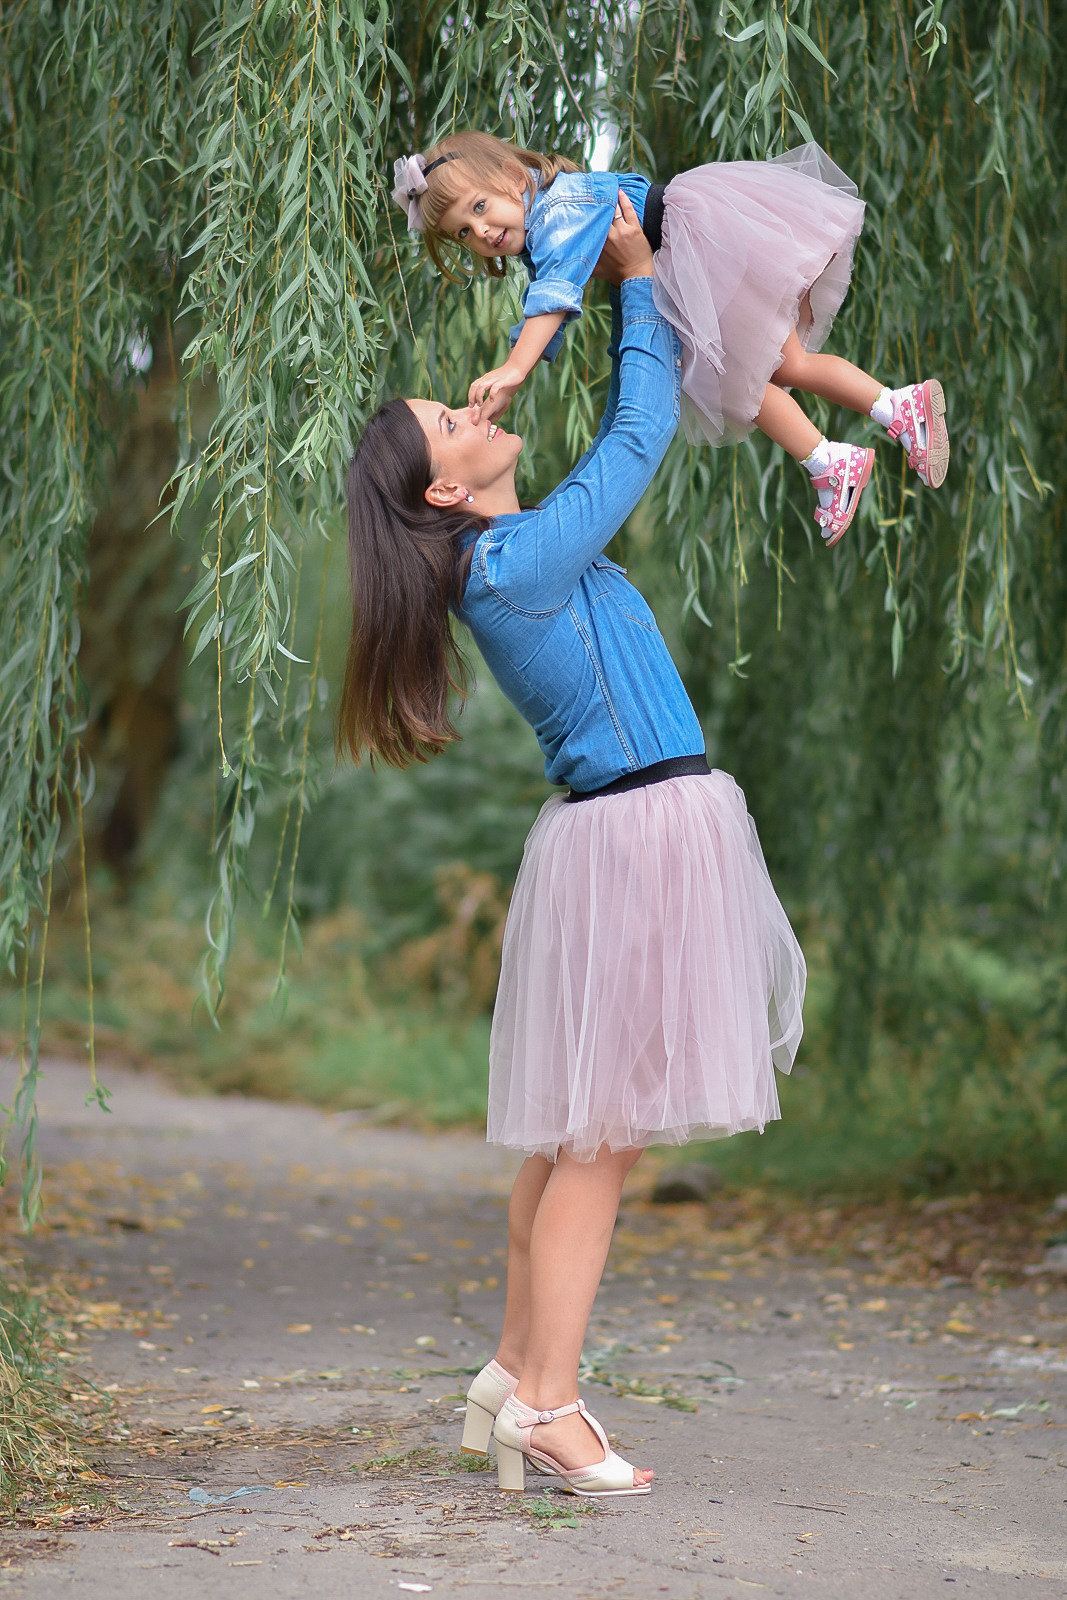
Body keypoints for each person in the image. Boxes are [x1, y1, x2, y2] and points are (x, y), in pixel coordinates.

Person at [339, 198, 805, 1497]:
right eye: (453, 421)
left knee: (569, 1135)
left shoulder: (502, 558)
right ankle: (548, 1403)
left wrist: (583, 284)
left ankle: (508, 1368)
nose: (474, 409)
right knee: (598, 1139)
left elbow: (604, 417)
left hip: (624, 830)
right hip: (640, 830)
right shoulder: (514, 562)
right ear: (443, 490)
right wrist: (640, 272)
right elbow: (641, 429)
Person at [391, 130, 950, 547]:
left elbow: (555, 296)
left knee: (761, 378)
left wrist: (515, 370)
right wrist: (521, 369)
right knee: (765, 375)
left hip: (692, 252)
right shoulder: (548, 225)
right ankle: (858, 440)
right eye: (464, 232)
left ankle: (868, 433)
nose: (482, 233)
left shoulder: (556, 212)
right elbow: (552, 307)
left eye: (481, 208)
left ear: (515, 180)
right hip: (685, 265)